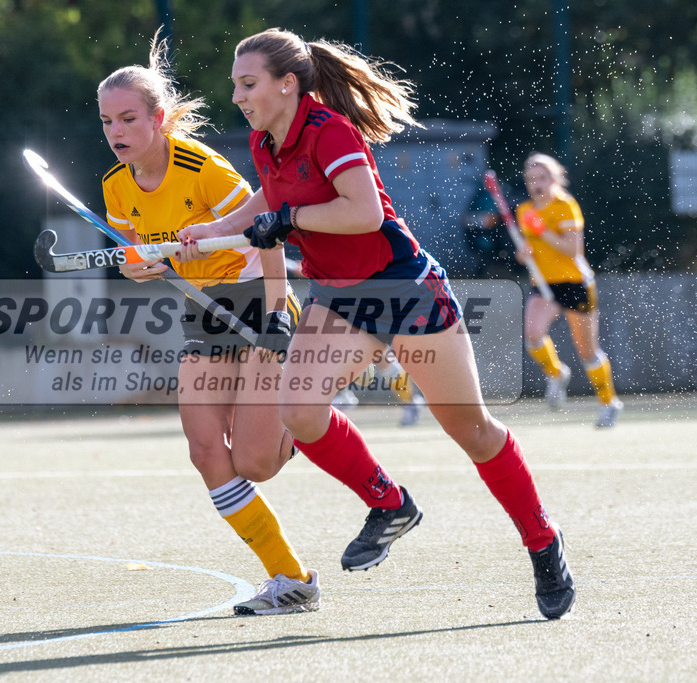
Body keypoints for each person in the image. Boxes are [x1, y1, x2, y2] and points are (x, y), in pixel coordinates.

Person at [178, 28, 575, 619]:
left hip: (405, 290)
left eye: (247, 83)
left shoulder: (329, 132)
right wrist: (212, 230)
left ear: (287, 84)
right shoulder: (266, 140)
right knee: (301, 411)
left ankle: (543, 542)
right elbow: (271, 195)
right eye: (237, 83)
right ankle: (390, 504)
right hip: (338, 297)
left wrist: (288, 219)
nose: (236, 95)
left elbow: (362, 214)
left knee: (472, 431)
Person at [97, 33, 319, 615]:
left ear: (159, 118)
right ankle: (291, 578)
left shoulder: (203, 168)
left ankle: (306, 412)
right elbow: (144, 267)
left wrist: (277, 314)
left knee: (256, 463)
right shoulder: (115, 189)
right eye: (106, 122)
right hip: (204, 312)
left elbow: (267, 232)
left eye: (127, 118)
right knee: (204, 451)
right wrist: (143, 267)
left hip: (257, 300)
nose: (116, 132)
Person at [515, 153, 623, 428]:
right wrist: (524, 254)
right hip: (544, 284)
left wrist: (542, 232)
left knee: (587, 351)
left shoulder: (566, 206)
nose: (536, 184)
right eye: (531, 180)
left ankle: (609, 403)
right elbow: (531, 250)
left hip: (575, 283)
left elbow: (572, 249)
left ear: (554, 179)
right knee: (533, 334)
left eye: (542, 178)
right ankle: (556, 373)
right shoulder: (524, 211)